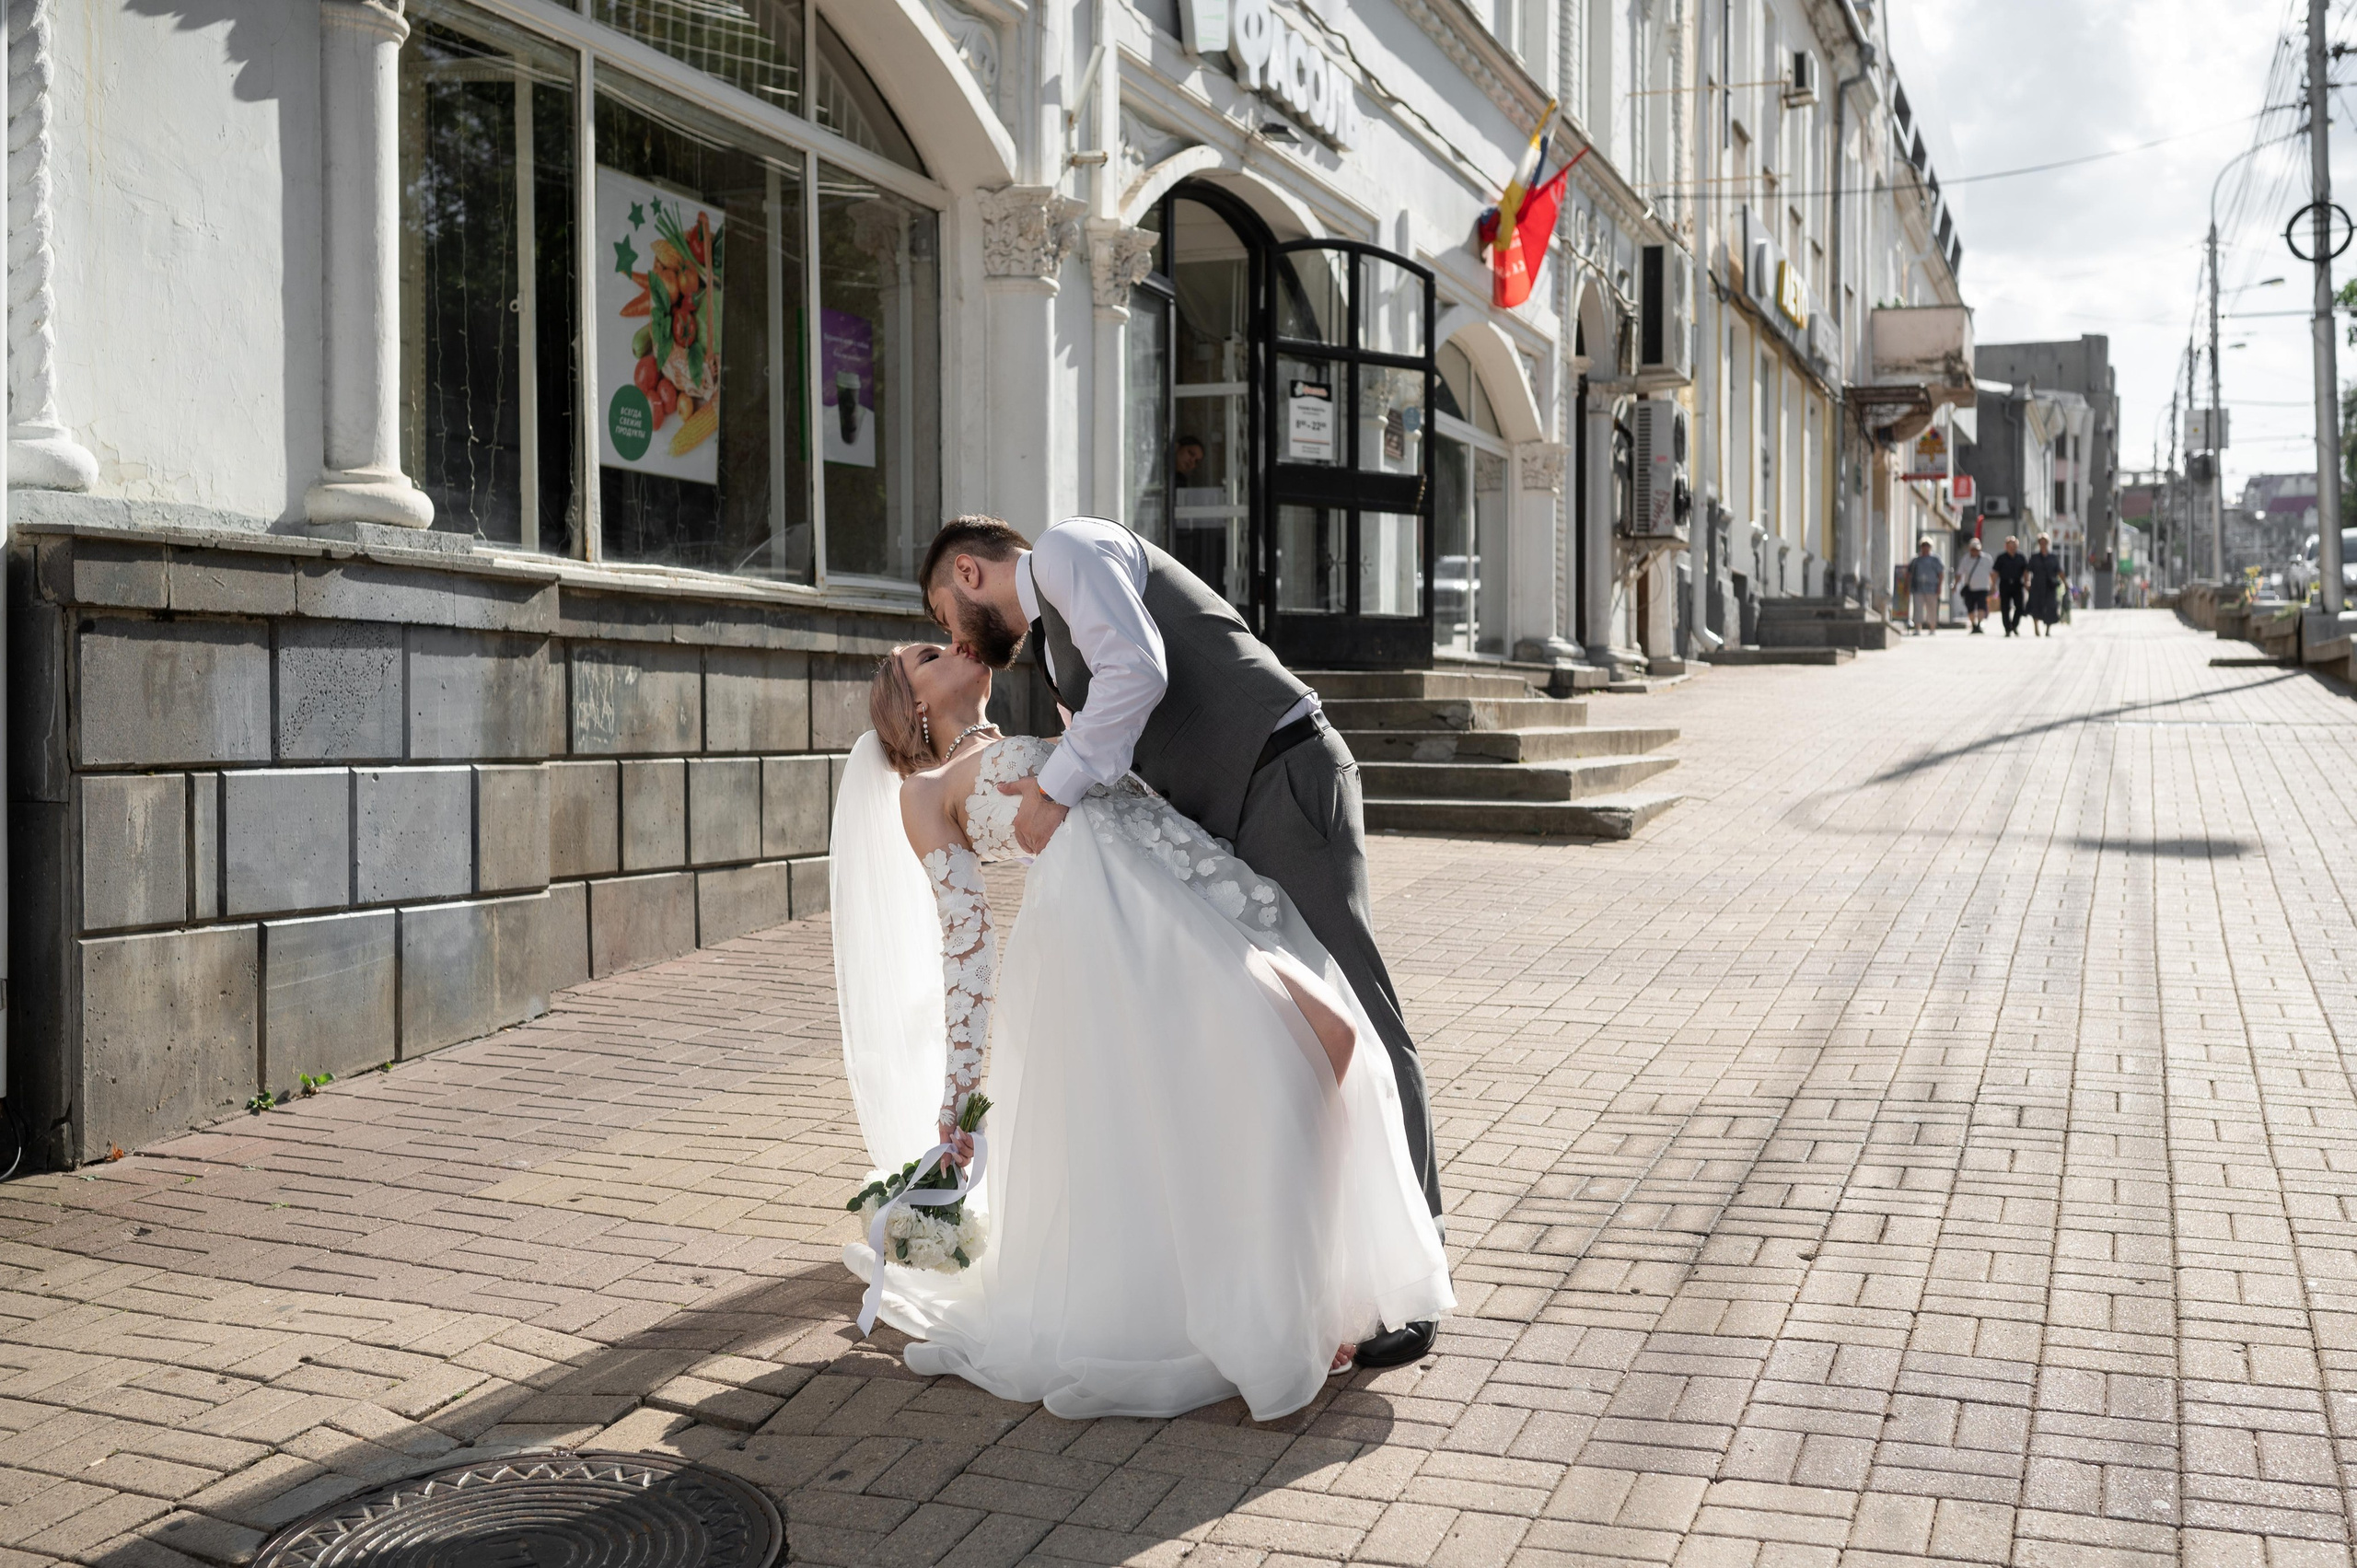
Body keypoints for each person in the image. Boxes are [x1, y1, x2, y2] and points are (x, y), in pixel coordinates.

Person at [831, 639, 1453, 1421]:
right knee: (1299, 1055)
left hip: (1195, 886)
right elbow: (966, 937)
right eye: (929, 651)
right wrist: (958, 1096)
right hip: (1123, 930)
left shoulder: (1034, 722)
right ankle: (1284, 1310)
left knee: (1333, 1045)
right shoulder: (923, 793)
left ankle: (1310, 1294)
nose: (957, 642)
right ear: (911, 702)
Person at [925, 516, 1446, 1359]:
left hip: (1281, 777)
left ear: (969, 572)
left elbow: (1139, 668)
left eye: (942, 613)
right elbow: (1120, 743)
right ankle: (1327, 1276)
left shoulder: (1068, 551)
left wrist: (1052, 789)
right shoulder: (1057, 643)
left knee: (1357, 1014)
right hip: (1230, 814)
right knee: (1285, 1040)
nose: (950, 635)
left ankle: (1412, 1286)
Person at [2026, 532, 2064, 636]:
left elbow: (2059, 571)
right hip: (2037, 585)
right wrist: (2027, 582)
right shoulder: (2034, 557)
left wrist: (2065, 583)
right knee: (2035, 606)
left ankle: (2048, 629)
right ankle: (2036, 627)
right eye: (2041, 542)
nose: (2043, 544)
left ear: (2048, 543)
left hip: (2050, 586)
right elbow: (2027, 570)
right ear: (2039, 544)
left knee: (2051, 607)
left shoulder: (2053, 557)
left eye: (2045, 542)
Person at [1956, 538, 1995, 634]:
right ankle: (1973, 625)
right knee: (1970, 608)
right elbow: (1959, 573)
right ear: (1970, 549)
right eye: (1973, 549)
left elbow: (1992, 574)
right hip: (1970, 588)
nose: (1975, 551)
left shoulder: (1986, 558)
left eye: (1977, 549)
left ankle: (1980, 624)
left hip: (1983, 587)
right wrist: (1955, 585)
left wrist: (1993, 586)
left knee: (1982, 607)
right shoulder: (1966, 559)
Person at [1992, 535, 2029, 636]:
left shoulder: (2021, 557)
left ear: (2017, 546)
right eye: (2010, 545)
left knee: (2020, 607)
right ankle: (2007, 628)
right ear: (2006, 546)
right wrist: (1993, 585)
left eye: (2014, 545)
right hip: (2005, 584)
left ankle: (2014, 625)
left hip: (2017, 584)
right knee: (2005, 607)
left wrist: (2027, 582)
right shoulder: (2001, 557)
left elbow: (2026, 571)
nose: (2012, 547)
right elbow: (1995, 572)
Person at [1906, 540, 1945, 633]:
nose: (1925, 547)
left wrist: (1939, 586)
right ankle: (1917, 628)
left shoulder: (1935, 559)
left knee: (1932, 608)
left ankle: (1932, 628)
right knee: (1918, 608)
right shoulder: (1916, 559)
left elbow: (1940, 573)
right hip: (1918, 588)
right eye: (1923, 545)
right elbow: (1909, 573)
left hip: (1932, 588)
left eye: (1927, 545)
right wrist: (1907, 586)